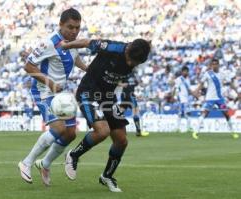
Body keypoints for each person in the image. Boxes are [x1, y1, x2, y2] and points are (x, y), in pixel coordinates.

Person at [61, 38, 151, 192]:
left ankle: (107, 176)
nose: (130, 64)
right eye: (130, 60)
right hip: (88, 92)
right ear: (128, 50)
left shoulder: (136, 55)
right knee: (103, 131)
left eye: (135, 63)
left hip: (107, 97)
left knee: (122, 140)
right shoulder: (113, 47)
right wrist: (66, 45)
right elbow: (86, 42)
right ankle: (73, 155)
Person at [18, 8, 87, 186]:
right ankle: (26, 162)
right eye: (70, 27)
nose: (74, 31)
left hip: (61, 93)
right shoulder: (48, 43)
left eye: (77, 28)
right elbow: (28, 66)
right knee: (58, 129)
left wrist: (88, 69)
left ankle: (45, 164)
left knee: (71, 133)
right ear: (61, 25)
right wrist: (49, 83)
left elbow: (75, 58)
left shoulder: (72, 42)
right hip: (44, 92)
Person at [192, 58, 237, 139]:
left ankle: (233, 132)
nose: (214, 65)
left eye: (216, 64)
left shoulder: (223, 74)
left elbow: (230, 83)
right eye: (213, 64)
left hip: (220, 99)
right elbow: (201, 84)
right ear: (211, 65)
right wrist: (196, 91)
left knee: (226, 113)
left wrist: (237, 91)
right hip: (210, 99)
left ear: (219, 64)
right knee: (205, 113)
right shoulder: (208, 74)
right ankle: (196, 132)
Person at [173, 66, 197, 133]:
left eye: (186, 71)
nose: (185, 72)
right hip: (182, 100)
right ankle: (181, 128)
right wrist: (174, 96)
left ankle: (184, 128)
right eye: (184, 71)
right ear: (182, 72)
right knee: (182, 114)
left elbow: (189, 90)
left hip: (186, 100)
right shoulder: (179, 79)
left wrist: (194, 95)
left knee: (184, 114)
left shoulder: (188, 80)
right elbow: (175, 88)